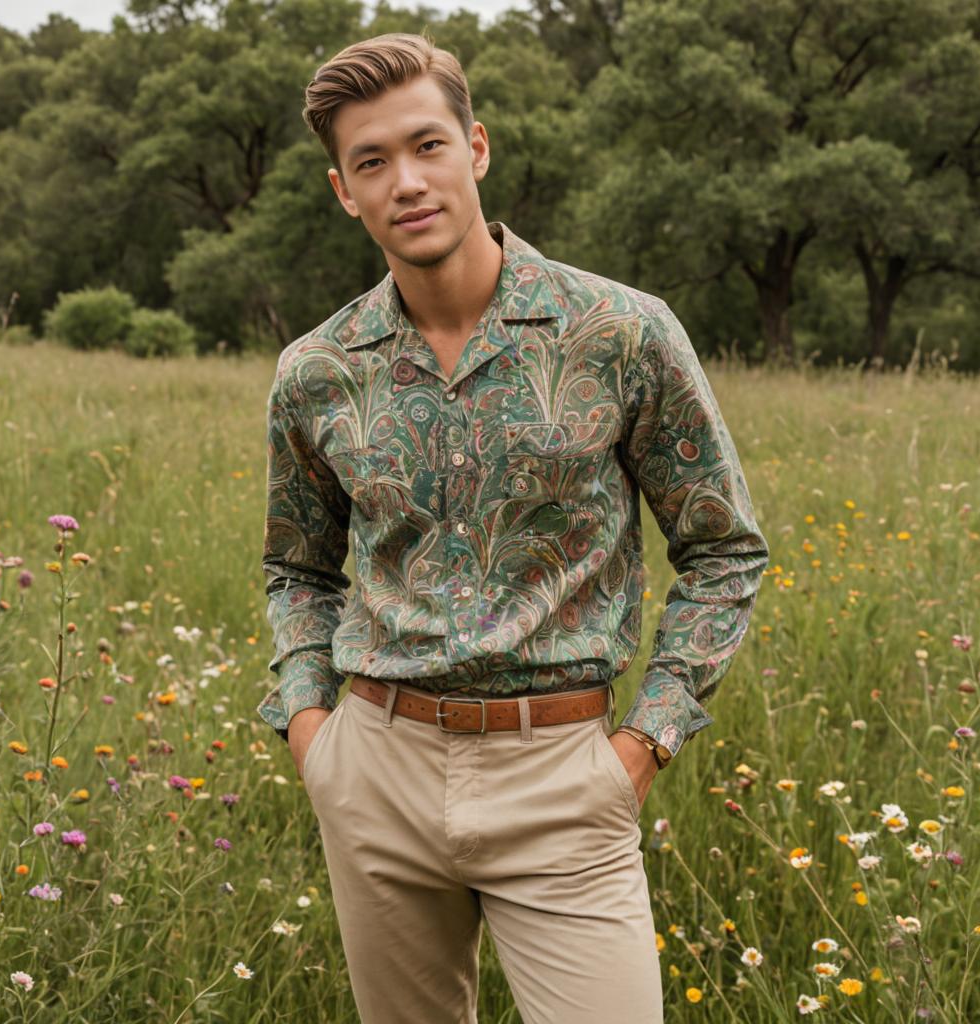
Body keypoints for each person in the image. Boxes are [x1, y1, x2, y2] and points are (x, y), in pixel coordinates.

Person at [257, 30, 769, 1024]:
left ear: (475, 147)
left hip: (564, 777)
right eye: (372, 162)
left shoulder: (620, 335)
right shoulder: (316, 371)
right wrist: (313, 732)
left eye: (426, 146)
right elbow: (295, 569)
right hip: (376, 769)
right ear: (343, 191)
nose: (405, 181)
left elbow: (722, 549)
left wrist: (646, 741)